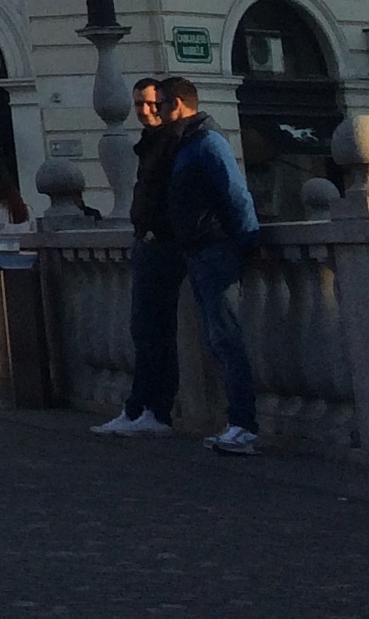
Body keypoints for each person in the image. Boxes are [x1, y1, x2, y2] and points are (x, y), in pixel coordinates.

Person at [92, 75, 261, 454]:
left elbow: (236, 194)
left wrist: (247, 242)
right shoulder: (180, 142)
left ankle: (243, 425)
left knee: (224, 337)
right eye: (143, 104)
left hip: (210, 247)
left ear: (179, 104)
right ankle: (178, 414)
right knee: (197, 335)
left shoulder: (203, 141)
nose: (152, 110)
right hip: (192, 246)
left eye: (160, 102)